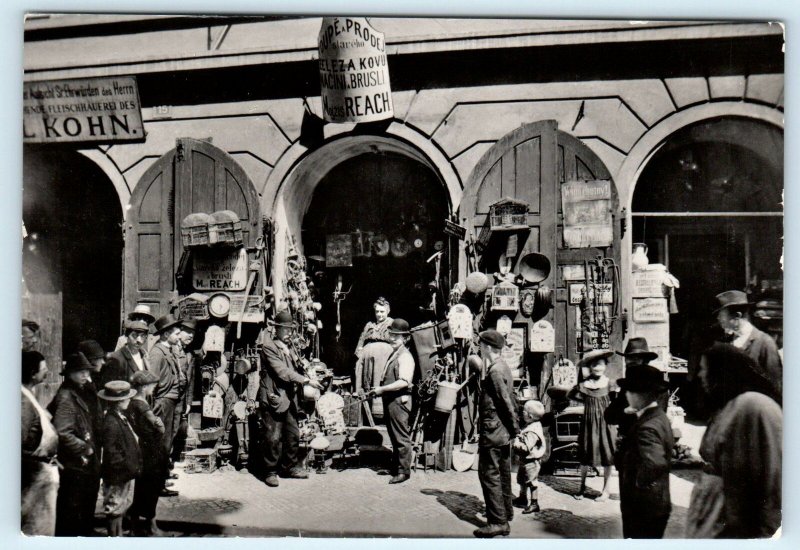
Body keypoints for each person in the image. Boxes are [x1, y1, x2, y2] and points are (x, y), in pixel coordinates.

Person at [686, 343, 781, 538]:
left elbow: (772, 476)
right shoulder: (727, 407)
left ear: (723, 372)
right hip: (716, 521)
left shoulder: (754, 406)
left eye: (704, 369)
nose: (700, 376)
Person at [258, 310, 323, 487]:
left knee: (292, 435)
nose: (289, 333)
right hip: (274, 397)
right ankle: (270, 471)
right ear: (276, 329)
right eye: (285, 329)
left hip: (290, 398)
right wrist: (305, 380)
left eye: (290, 330)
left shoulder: (289, 346)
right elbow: (282, 372)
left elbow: (297, 366)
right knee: (272, 436)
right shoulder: (268, 346)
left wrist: (307, 370)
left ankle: (289, 467)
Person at [615, 364, 673, 538]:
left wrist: (637, 488)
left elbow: (654, 464)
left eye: (629, 391)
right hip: (656, 504)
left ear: (640, 395)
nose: (626, 394)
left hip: (643, 509)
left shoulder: (647, 426)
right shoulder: (659, 417)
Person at [50, 352, 103, 536]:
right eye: (79, 371)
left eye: (86, 371)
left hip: (82, 461)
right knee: (72, 505)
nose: (85, 375)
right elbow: (62, 432)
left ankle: (85, 532)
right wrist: (85, 448)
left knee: (83, 500)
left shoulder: (80, 391)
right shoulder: (66, 397)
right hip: (75, 462)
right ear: (69, 374)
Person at [474, 329, 519, 538]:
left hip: (493, 432)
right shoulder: (502, 367)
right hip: (501, 432)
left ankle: (497, 522)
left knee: (488, 474)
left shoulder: (495, 372)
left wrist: (515, 430)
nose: (479, 347)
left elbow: (505, 403)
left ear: (488, 347)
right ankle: (506, 512)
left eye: (481, 345)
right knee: (501, 473)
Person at [568, 349, 617, 501]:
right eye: (594, 364)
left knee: (608, 456)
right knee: (585, 454)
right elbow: (571, 395)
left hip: (606, 424)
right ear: (589, 366)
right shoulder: (583, 385)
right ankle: (582, 487)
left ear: (605, 366)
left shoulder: (610, 384)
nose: (598, 367)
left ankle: (606, 490)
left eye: (601, 364)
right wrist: (588, 404)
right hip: (588, 424)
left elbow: (616, 403)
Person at [371, 318, 415, 484]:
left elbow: (404, 381)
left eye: (397, 336)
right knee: (394, 435)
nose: (392, 337)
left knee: (401, 437)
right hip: (391, 400)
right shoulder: (395, 353)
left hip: (399, 400)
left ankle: (404, 472)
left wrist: (381, 389)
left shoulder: (406, 357)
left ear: (405, 338)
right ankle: (396, 467)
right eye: (391, 334)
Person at [714, 290, 782, 396]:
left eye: (721, 315)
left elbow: (775, 388)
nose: (718, 319)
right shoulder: (726, 342)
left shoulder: (765, 344)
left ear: (737, 316)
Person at [21, 350, 59, 536]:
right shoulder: (24, 403)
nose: (47, 372)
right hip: (34, 478)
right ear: (32, 374)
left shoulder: (29, 394)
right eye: (43, 369)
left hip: (40, 475)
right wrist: (40, 458)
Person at [98, 381, 142, 537]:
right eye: (126, 398)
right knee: (115, 508)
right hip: (117, 475)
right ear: (118, 402)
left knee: (121, 506)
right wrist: (124, 469)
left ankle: (118, 537)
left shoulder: (118, 417)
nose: (129, 401)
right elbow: (111, 453)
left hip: (123, 473)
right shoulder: (111, 422)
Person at [604, 337, 666, 444]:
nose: (630, 362)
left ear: (644, 360)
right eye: (628, 358)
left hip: (648, 441)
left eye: (636, 358)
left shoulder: (657, 386)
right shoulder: (628, 384)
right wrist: (624, 411)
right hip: (628, 440)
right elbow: (610, 416)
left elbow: (656, 417)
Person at [128, 370, 166, 537]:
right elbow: (159, 427)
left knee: (141, 486)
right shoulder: (142, 405)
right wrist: (160, 424)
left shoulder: (131, 403)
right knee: (151, 486)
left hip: (142, 448)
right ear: (143, 387)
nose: (154, 387)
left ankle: (135, 524)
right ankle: (151, 526)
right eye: (152, 384)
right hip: (151, 449)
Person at [149, 314, 183, 497]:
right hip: (163, 403)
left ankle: (161, 478)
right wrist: (154, 409)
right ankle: (157, 485)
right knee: (161, 444)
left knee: (166, 443)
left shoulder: (167, 350)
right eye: (176, 333)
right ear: (165, 335)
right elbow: (152, 383)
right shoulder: (157, 353)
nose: (179, 336)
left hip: (169, 401)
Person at [512, 399, 546, 515]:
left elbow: (526, 447)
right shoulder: (531, 424)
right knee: (522, 479)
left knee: (532, 481)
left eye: (524, 411)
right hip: (525, 460)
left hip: (532, 461)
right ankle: (522, 498)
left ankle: (534, 503)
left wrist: (516, 443)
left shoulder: (532, 431)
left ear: (530, 416)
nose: (522, 412)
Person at [171, 319, 197, 466]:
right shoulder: (170, 350)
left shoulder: (189, 354)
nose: (191, 336)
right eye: (188, 332)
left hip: (181, 399)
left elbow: (190, 380)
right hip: (170, 396)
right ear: (179, 332)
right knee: (167, 431)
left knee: (175, 430)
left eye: (193, 333)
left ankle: (168, 465)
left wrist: (189, 401)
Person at [103, 319, 151, 387]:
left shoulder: (144, 355)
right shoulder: (116, 358)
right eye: (134, 335)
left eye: (142, 336)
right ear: (127, 336)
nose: (139, 340)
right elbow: (111, 388)